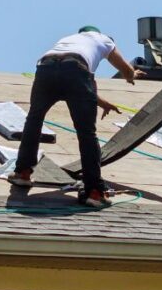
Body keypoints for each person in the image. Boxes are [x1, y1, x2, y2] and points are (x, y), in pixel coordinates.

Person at [10, 25, 144, 207]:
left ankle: (23, 173)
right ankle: (94, 192)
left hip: (46, 68)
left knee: (34, 120)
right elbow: (121, 70)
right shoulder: (104, 39)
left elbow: (79, 81)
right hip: (76, 71)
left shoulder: (69, 41)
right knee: (87, 133)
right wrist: (131, 75)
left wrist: (102, 103)